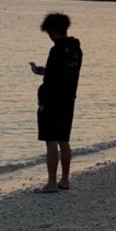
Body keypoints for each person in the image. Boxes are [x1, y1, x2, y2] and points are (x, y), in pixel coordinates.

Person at [29, 12, 83, 193]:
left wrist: (39, 72)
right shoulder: (76, 49)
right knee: (63, 140)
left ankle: (52, 182)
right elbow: (59, 72)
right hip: (68, 99)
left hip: (52, 100)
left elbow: (53, 76)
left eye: (49, 33)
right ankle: (65, 180)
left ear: (53, 30)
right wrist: (44, 71)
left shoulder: (56, 49)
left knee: (50, 141)